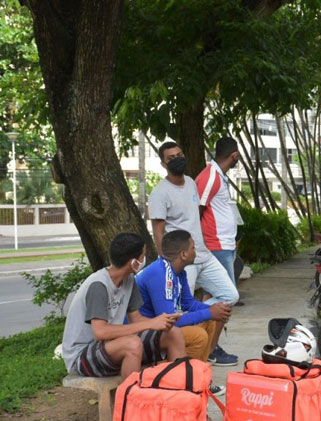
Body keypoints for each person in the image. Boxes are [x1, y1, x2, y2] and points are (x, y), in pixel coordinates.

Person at [149, 142, 239, 366]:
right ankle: (187, 363)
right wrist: (167, 265)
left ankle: (208, 349)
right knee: (179, 313)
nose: (177, 159)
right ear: (163, 163)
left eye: (180, 154)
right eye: (171, 157)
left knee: (230, 296)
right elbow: (158, 232)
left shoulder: (190, 183)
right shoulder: (159, 193)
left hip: (203, 256)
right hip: (181, 262)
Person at [62, 233, 186, 378]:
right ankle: (129, 398)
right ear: (134, 263)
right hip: (82, 356)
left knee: (173, 334)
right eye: (143, 256)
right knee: (132, 344)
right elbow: (100, 332)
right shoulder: (98, 286)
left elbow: (136, 320)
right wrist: (151, 323)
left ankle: (180, 390)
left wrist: (163, 321)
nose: (144, 259)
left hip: (111, 346)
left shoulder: (129, 280)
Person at [136, 230, 233, 379]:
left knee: (210, 321)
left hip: (160, 329)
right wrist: (209, 312)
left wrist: (216, 311)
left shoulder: (179, 272)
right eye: (193, 248)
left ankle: (200, 380)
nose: (196, 251)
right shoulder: (160, 273)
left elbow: (189, 304)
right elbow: (168, 320)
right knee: (198, 336)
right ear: (183, 254)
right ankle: (187, 381)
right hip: (141, 334)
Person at [196, 137, 242, 286]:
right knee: (227, 296)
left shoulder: (218, 175)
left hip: (224, 243)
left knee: (213, 293)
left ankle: (203, 309)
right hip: (216, 244)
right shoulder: (211, 177)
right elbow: (197, 209)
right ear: (234, 155)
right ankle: (197, 310)